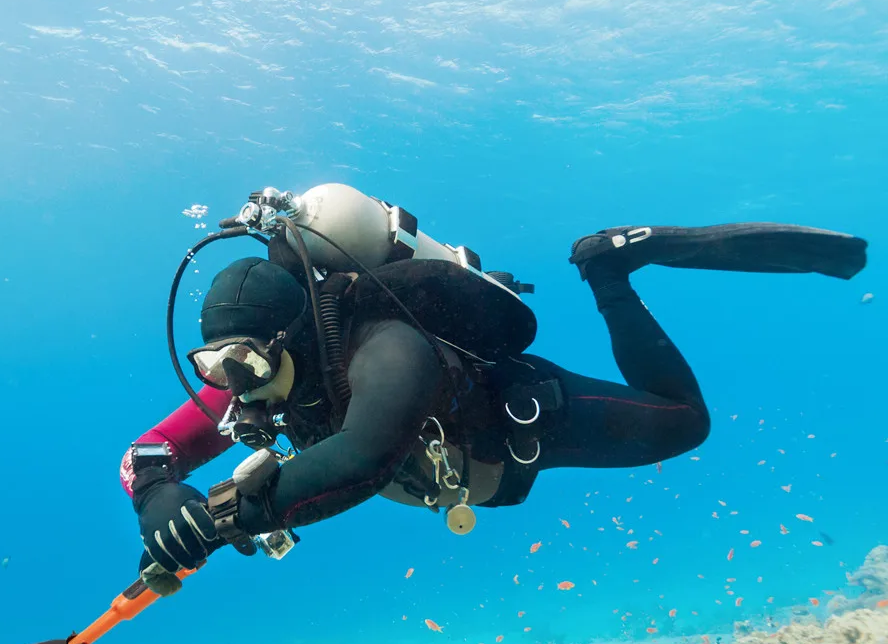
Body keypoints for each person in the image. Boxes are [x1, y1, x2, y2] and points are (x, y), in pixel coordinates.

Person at [121, 187, 867, 595]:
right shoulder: (250, 382)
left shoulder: (386, 345)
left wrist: (224, 515)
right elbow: (146, 454)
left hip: (522, 420)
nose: (230, 389)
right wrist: (160, 498)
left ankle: (611, 272)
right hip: (466, 474)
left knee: (687, 424)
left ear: (287, 339)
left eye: (241, 365)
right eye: (213, 366)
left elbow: (366, 453)